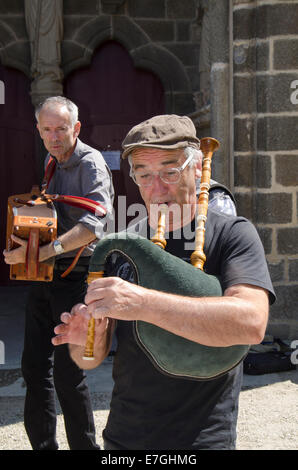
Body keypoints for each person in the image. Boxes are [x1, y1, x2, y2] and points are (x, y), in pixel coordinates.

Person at [52, 114, 275, 450]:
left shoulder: (232, 234)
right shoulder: (122, 245)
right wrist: (86, 340)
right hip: (125, 438)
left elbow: (251, 323)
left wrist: (141, 303)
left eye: (170, 172)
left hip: (201, 440)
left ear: (197, 168)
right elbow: (90, 359)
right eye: (143, 175)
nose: (156, 190)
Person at [3, 96, 114, 450]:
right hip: (44, 273)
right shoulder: (51, 160)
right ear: (38, 130)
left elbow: (94, 225)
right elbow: (50, 217)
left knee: (69, 375)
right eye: (47, 129)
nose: (54, 136)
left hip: (76, 273)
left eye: (61, 129)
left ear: (76, 128)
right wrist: (23, 246)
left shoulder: (91, 163)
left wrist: (44, 251)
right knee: (34, 369)